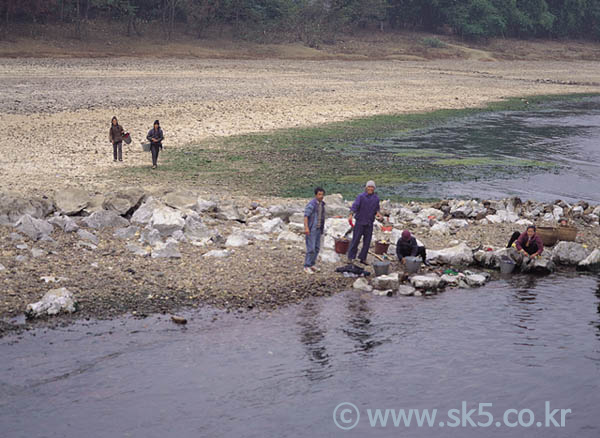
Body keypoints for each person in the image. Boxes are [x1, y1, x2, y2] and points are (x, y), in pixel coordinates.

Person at [347, 180, 383, 265]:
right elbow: (355, 206)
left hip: (369, 223)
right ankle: (351, 257)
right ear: (366, 187)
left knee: (367, 242)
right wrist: (351, 214)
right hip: (360, 222)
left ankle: (363, 258)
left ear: (374, 188)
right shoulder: (361, 197)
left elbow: (376, 209)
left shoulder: (376, 198)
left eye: (372, 187)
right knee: (355, 240)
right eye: (369, 187)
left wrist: (378, 214)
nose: (370, 188)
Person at [303, 187, 326, 274]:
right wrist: (306, 228)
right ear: (316, 195)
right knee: (311, 248)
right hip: (312, 228)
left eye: (322, 194)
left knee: (317, 248)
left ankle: (312, 264)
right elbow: (306, 216)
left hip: (318, 228)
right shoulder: (311, 204)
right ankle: (306, 265)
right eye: (319, 194)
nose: (321, 196)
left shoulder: (322, 204)